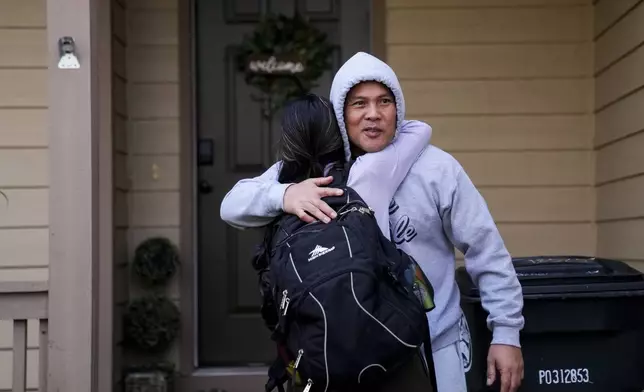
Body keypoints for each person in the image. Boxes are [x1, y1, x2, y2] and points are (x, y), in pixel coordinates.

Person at [221, 52, 525, 392]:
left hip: (433, 348)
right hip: (345, 357)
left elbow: (486, 249)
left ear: (398, 108)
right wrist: (286, 194)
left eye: (384, 101)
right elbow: (232, 205)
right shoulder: (318, 173)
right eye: (358, 104)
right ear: (341, 113)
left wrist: (506, 333)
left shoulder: (437, 169)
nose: (373, 115)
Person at [225, 92, 435, 391]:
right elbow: (420, 130)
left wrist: (283, 195)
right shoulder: (368, 168)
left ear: (287, 142)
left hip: (317, 356)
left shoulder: (280, 182)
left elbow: (229, 206)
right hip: (387, 343)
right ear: (338, 130)